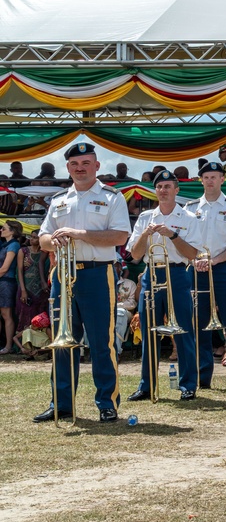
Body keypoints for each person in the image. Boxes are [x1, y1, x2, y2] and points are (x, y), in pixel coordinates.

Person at [32, 143, 131, 424]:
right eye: (75, 164)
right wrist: (55, 240)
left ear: (97, 166)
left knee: (102, 342)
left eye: (86, 163)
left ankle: (107, 403)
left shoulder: (113, 197)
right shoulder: (59, 199)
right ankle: (61, 404)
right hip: (63, 275)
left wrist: (78, 234)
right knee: (63, 342)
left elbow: (119, 237)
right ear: (68, 168)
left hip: (98, 274)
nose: (80, 168)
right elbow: (43, 239)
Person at [126, 169, 201, 403]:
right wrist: (145, 235)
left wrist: (173, 236)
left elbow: (193, 254)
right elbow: (135, 255)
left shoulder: (189, 218)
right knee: (149, 331)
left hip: (178, 274)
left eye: (168, 186)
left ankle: (188, 384)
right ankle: (147, 385)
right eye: (159, 187)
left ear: (177, 190)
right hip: (152, 273)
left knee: (183, 331)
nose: (163, 190)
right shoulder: (145, 217)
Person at [185, 161, 226, 390]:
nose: (211, 180)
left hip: (223, 268)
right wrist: (195, 260)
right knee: (200, 323)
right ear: (201, 180)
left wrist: (215, 260)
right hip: (196, 268)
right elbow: (183, 241)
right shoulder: (190, 208)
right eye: (206, 177)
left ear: (222, 179)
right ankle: (203, 376)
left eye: (215, 176)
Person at [16, 230, 50, 351]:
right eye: (31, 237)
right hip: (27, 288)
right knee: (24, 314)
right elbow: (20, 271)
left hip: (41, 289)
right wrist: (23, 289)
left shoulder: (44, 252)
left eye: (35, 237)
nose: (32, 239)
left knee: (39, 316)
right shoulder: (23, 251)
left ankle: (38, 346)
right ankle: (23, 346)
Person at [0, 220, 24, 354]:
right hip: (2, 281)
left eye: (4, 228)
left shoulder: (13, 245)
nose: (1, 230)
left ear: (12, 231)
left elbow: (4, 268)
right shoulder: (5, 245)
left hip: (6, 283)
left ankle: (8, 346)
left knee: (6, 314)